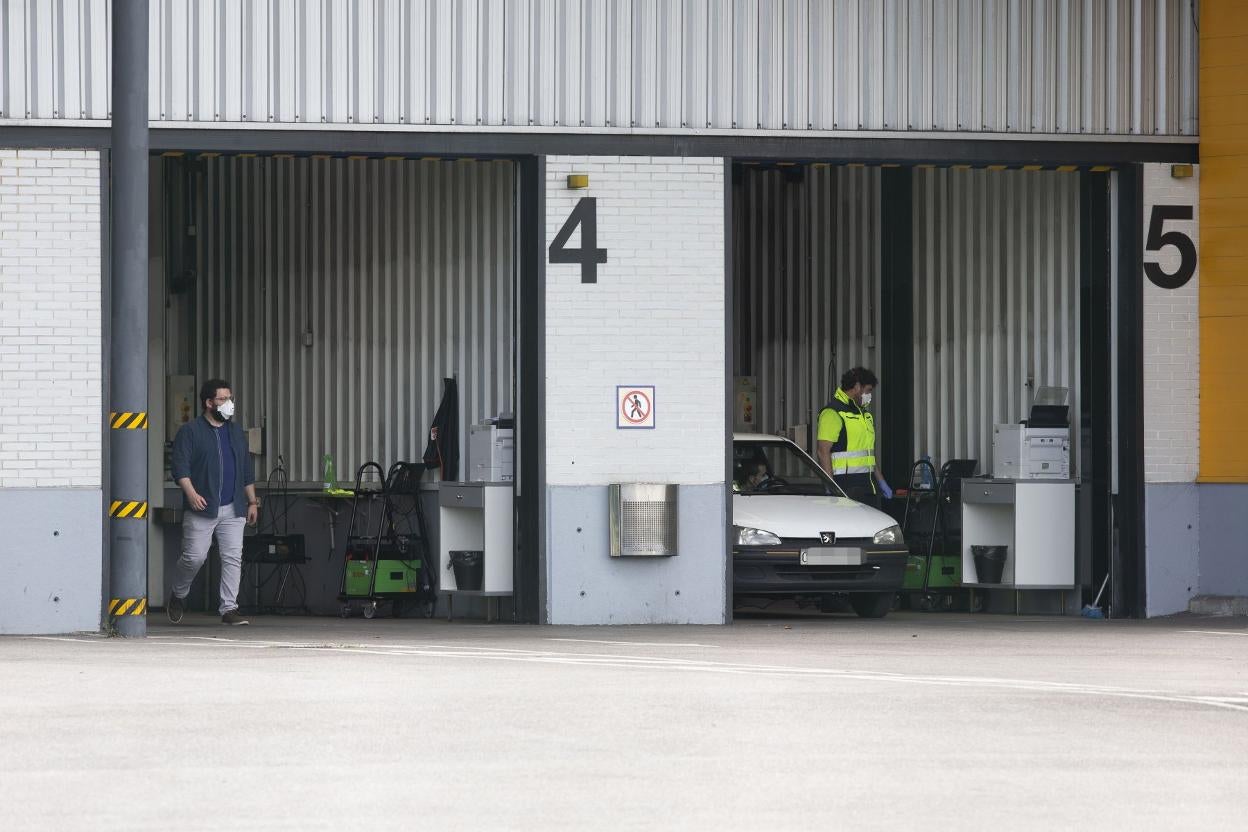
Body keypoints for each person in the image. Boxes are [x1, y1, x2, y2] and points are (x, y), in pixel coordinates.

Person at [167, 379, 259, 625]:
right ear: (209, 403)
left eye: (230, 398)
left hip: (234, 507)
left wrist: (252, 501)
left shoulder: (235, 433)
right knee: (194, 557)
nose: (229, 403)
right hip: (202, 508)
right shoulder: (190, 432)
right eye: (223, 399)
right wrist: (191, 494)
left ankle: (229, 609)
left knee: (232, 557)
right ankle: (178, 593)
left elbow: (246, 470)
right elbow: (180, 468)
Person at [816, 367, 892, 507]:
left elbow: (867, 454)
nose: (869, 395)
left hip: (868, 487)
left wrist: (881, 480)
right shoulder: (833, 413)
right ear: (857, 387)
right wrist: (831, 487)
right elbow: (822, 451)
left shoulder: (863, 415)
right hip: (845, 488)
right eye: (868, 390)